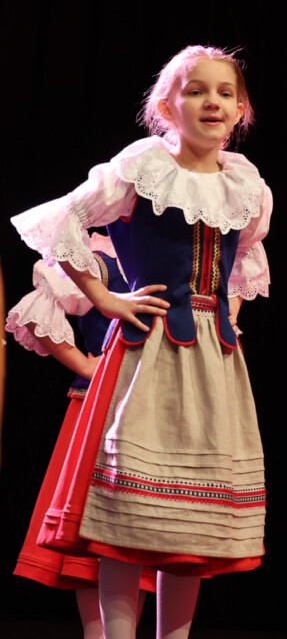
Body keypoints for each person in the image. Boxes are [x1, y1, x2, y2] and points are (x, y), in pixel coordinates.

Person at [10, 45, 272, 639]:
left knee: (190, 516)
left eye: (225, 93)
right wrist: (105, 298)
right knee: (125, 512)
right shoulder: (144, 167)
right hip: (147, 350)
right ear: (166, 106)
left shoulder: (246, 183)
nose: (212, 102)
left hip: (212, 358)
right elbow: (63, 220)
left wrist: (224, 315)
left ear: (240, 110)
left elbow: (246, 257)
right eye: (196, 90)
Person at [6, 233, 153, 638]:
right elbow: (35, 313)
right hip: (99, 407)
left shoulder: (168, 254)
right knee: (89, 530)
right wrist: (88, 367)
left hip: (152, 403)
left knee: (137, 530)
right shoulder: (97, 257)